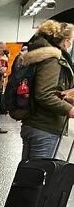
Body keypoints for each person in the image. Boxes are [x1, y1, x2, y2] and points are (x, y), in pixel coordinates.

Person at [20, 20, 74, 160]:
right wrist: (69, 109)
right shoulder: (52, 59)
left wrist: (65, 94)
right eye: (70, 40)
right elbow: (43, 94)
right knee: (38, 175)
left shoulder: (38, 54)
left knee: (27, 173)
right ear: (65, 40)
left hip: (33, 122)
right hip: (44, 125)